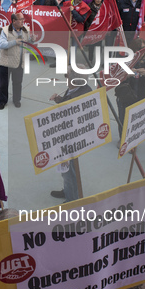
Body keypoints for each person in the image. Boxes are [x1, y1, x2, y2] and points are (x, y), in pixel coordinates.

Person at [49, 67, 93, 202]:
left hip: (72, 140)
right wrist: (59, 100)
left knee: (69, 171)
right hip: (68, 137)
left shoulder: (80, 96)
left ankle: (71, 200)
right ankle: (68, 190)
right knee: (67, 169)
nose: (65, 78)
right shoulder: (79, 88)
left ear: (73, 80)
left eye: (66, 75)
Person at [0, 13, 34, 110]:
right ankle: (2, 101)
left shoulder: (26, 29)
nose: (23, 21)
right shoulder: (5, 30)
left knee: (17, 82)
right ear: (14, 21)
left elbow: (27, 41)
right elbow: (2, 44)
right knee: (3, 83)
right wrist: (15, 42)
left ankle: (16, 100)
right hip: (6, 62)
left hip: (19, 62)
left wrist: (32, 40)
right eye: (20, 19)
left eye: (23, 19)